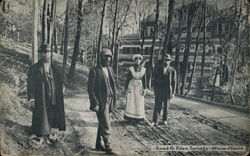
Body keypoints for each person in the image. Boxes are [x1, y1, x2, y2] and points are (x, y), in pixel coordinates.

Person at [27, 44, 66, 145]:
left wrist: (62, 87)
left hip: (53, 98)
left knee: (51, 116)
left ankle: (48, 135)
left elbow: (60, 81)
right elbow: (30, 85)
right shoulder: (34, 68)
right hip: (42, 99)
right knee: (41, 116)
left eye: (48, 52)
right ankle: (40, 135)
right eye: (44, 52)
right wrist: (31, 99)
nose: (46, 55)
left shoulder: (54, 69)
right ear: (40, 54)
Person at [87, 49, 116, 154]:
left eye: (109, 57)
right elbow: (90, 89)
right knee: (106, 123)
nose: (108, 59)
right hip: (101, 102)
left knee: (103, 122)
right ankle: (108, 146)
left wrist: (114, 99)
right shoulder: (94, 71)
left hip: (110, 99)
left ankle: (98, 144)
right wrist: (95, 103)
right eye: (105, 56)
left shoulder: (110, 70)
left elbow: (113, 85)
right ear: (101, 57)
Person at [151, 54, 176, 126]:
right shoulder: (158, 69)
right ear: (163, 60)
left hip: (167, 91)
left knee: (166, 106)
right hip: (159, 91)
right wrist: (154, 89)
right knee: (157, 106)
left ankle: (165, 120)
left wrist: (173, 92)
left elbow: (174, 82)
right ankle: (155, 121)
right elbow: (155, 80)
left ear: (170, 61)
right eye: (165, 60)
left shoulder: (172, 70)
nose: (166, 61)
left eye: (168, 60)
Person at [124, 54, 147, 122]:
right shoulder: (131, 69)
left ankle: (139, 118)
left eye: (139, 59)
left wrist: (145, 88)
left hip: (139, 86)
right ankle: (130, 117)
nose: (138, 61)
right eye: (136, 59)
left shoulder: (143, 69)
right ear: (134, 60)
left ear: (141, 61)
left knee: (139, 101)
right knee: (131, 101)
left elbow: (144, 80)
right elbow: (128, 79)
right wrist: (126, 88)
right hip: (132, 86)